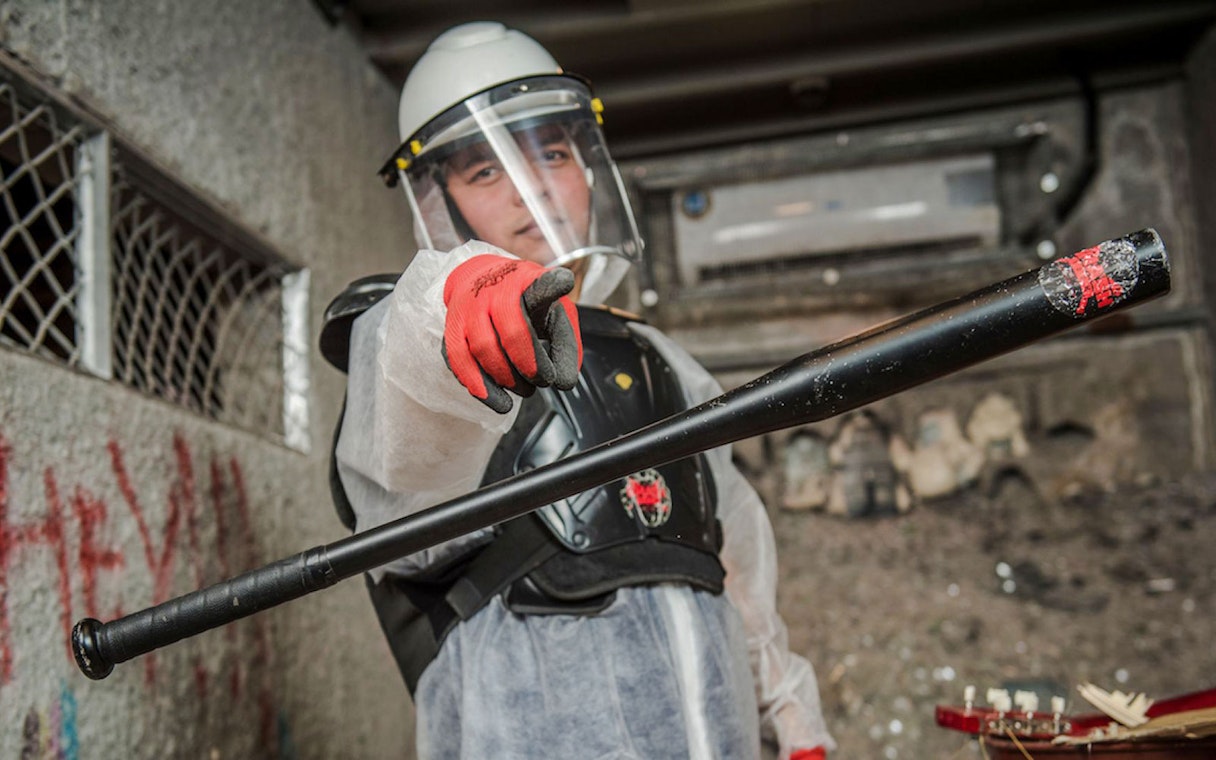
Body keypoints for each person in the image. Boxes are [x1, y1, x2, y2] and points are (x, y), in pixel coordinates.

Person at [323, 20, 835, 760]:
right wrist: (458, 301)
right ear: (436, 201)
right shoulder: (413, 347)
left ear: (589, 168)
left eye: (552, 153)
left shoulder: (660, 359)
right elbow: (408, 442)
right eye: (486, 170)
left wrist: (794, 726)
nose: (532, 189)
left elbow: (737, 567)